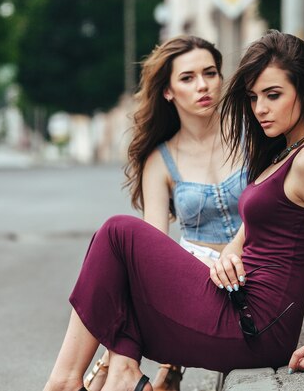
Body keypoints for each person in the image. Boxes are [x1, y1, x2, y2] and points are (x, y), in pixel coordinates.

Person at [42, 30, 304, 391]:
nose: (260, 109)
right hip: (238, 301)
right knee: (118, 256)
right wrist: (229, 253)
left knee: (118, 233)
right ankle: (116, 376)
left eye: (273, 95)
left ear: (303, 90)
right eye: (254, 97)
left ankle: (72, 381)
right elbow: (257, 226)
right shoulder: (285, 152)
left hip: (255, 325)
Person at [82, 36, 246, 391]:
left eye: (210, 73)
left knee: (116, 243)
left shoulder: (252, 135)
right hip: (197, 279)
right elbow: (151, 248)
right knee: (123, 255)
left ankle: (108, 372)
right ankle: (121, 371)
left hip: (253, 269)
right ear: (168, 92)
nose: (203, 85)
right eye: (187, 78)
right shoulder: (159, 160)